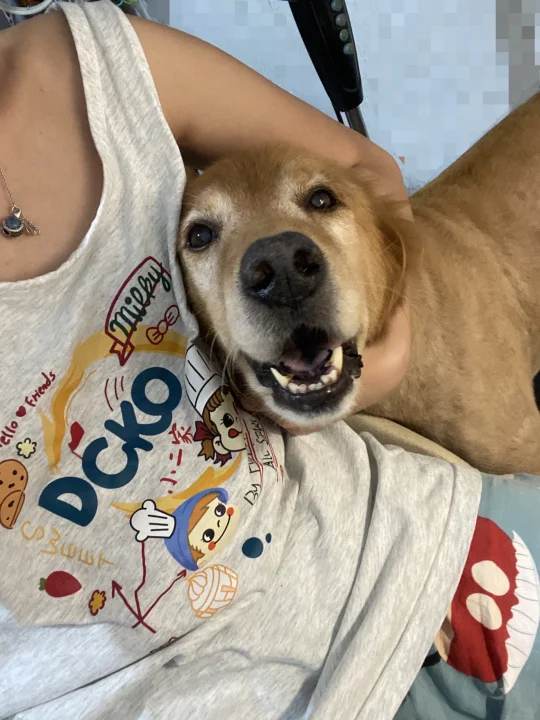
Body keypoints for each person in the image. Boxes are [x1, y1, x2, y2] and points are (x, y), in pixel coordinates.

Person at [0, 3, 539, 719]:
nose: (278, 261)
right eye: (200, 237)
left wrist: (380, 360)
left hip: (409, 545)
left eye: (316, 202)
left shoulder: (82, 58)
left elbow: (365, 171)